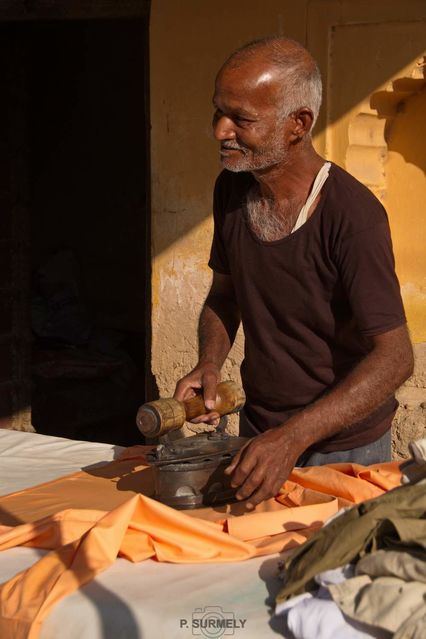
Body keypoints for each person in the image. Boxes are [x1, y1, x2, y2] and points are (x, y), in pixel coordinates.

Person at [174, 36, 414, 510]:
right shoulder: (231, 191)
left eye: (241, 119)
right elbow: (225, 295)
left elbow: (396, 358)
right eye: (218, 112)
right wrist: (209, 362)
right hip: (262, 434)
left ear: (296, 125)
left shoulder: (352, 216)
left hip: (345, 447)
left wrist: (294, 437)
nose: (220, 131)